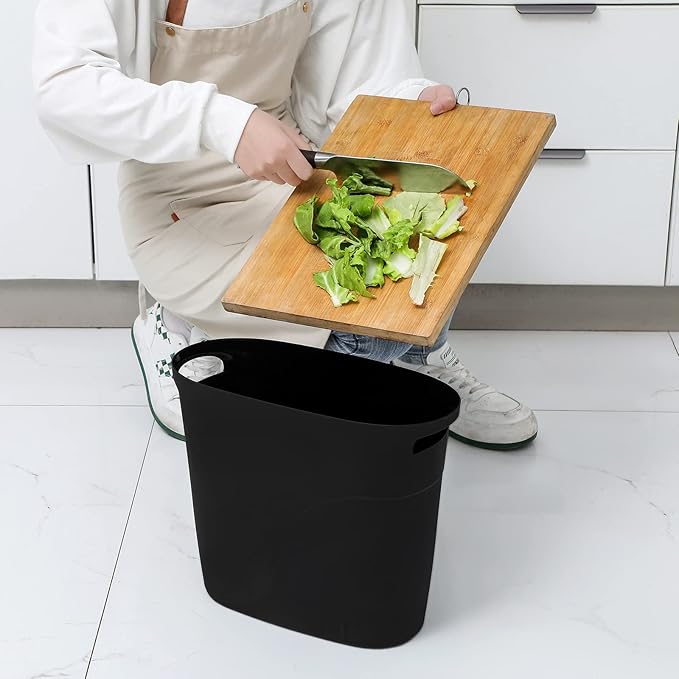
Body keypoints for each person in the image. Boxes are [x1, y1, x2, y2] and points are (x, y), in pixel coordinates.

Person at [33, 0, 537, 449]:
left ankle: (418, 354)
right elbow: (65, 86)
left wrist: (409, 101)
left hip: (292, 168)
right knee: (356, 340)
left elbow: (357, 80)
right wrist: (221, 122)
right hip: (178, 196)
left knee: (421, 228)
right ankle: (174, 321)